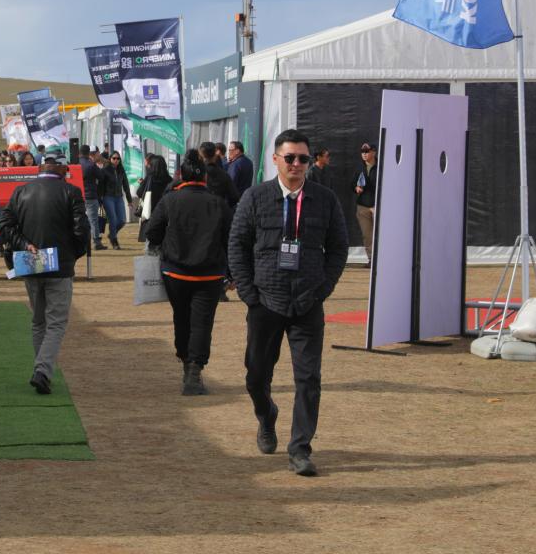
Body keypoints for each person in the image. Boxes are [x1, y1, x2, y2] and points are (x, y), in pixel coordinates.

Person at [228, 129, 348, 477]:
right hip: (265, 301)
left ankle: (300, 449)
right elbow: (237, 244)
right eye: (290, 157)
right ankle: (266, 416)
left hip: (307, 302)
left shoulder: (325, 200)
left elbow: (338, 247)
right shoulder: (255, 197)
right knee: (256, 376)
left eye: (303, 158)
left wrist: (323, 288)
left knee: (308, 379)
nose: (297, 164)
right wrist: (249, 294)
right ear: (276, 159)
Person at [0, 152, 90, 394]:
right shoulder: (71, 192)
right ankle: (42, 371)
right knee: (56, 322)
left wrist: (24, 244)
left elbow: (4, 224)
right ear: (62, 169)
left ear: (40, 167)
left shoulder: (21, 191)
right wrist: (73, 254)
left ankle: (42, 369)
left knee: (39, 320)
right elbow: (82, 230)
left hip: (31, 262)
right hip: (60, 266)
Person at [146, 159, 232, 396]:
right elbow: (231, 237)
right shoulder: (217, 203)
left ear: (180, 176)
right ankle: (194, 369)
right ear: (205, 177)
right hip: (210, 274)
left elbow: (152, 231)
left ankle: (187, 362)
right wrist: (232, 272)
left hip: (176, 272)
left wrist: (165, 244)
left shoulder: (170, 200)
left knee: (182, 318)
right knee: (202, 323)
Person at [136, 155, 172, 245]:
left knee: (150, 241)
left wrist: (142, 184)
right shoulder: (169, 180)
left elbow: (139, 193)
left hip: (150, 213)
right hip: (165, 215)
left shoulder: (150, 178)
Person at [79, 145, 108, 250]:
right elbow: (101, 177)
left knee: (79, 220)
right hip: (90, 195)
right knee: (93, 220)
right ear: (88, 153)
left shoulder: (75, 164)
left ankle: (81, 242)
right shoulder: (91, 165)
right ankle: (97, 242)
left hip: (78, 196)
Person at [354, 142, 378, 264]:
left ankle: (382, 259)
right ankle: (371, 259)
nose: (364, 154)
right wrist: (356, 188)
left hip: (378, 206)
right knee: (367, 235)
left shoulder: (381, 166)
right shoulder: (359, 167)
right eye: (362, 152)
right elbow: (352, 183)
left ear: (374, 152)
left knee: (380, 234)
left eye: (367, 151)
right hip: (363, 207)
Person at [100, 151, 130, 250]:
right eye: (114, 158)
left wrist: (129, 200)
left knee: (122, 220)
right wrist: (100, 199)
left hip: (119, 197)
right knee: (113, 219)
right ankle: (114, 240)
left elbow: (126, 185)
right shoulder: (105, 170)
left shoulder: (121, 170)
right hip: (108, 197)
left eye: (118, 158)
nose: (116, 160)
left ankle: (112, 234)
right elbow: (101, 186)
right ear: (110, 159)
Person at [198, 142, 240, 208]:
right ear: (215, 155)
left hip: (199, 209)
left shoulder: (196, 173)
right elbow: (234, 197)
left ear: (200, 155)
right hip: (217, 209)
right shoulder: (224, 174)